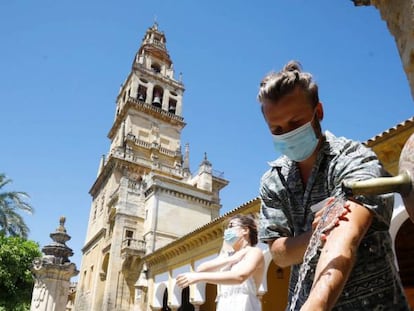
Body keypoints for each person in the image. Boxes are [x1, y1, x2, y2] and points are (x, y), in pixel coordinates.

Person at [257, 60, 410, 311]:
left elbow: (346, 236)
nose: (287, 134)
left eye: (295, 124)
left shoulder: (355, 159)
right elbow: (279, 253)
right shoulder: (273, 181)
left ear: (319, 112)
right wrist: (316, 235)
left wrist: (315, 305)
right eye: (277, 129)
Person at [176, 214, 264, 311]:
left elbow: (240, 277)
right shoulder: (227, 256)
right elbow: (201, 269)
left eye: (231, 226)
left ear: (245, 230)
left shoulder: (254, 252)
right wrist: (231, 259)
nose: (227, 231)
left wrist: (199, 277)